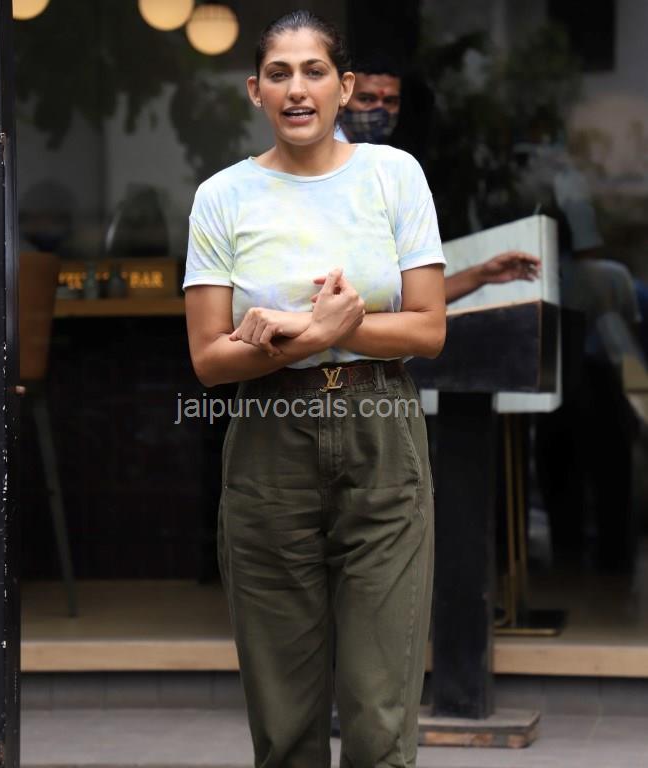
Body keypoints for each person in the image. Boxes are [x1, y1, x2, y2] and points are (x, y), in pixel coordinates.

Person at [183, 11, 445, 768]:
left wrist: (320, 326)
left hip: (380, 430)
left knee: (377, 717)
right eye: (279, 74)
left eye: (314, 71)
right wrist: (311, 337)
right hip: (269, 440)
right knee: (286, 723)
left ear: (345, 86)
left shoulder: (393, 176)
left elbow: (428, 329)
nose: (297, 89)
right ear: (255, 91)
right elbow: (208, 360)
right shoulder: (223, 196)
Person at [338, 56, 541, 302]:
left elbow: (411, 299)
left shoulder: (396, 170)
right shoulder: (319, 161)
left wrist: (481, 275)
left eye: (390, 101)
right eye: (367, 99)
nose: (379, 109)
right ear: (343, 95)